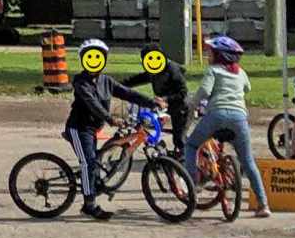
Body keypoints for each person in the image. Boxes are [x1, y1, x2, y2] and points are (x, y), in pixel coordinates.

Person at [65, 38, 163, 220]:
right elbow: (92, 104)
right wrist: (111, 119)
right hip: (78, 128)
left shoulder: (106, 81)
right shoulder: (81, 82)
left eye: (98, 57)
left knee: (93, 161)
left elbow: (127, 93)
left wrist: (150, 102)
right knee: (88, 163)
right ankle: (89, 205)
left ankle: (92, 183)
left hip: (92, 128)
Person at [183, 36, 271, 219]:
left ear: (219, 56)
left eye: (210, 53)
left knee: (191, 145)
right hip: (240, 118)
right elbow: (247, 89)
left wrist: (193, 103)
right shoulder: (241, 73)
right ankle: (263, 204)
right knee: (247, 161)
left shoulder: (213, 71)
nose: (208, 56)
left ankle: (193, 184)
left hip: (217, 115)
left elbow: (205, 91)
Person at [123, 43, 189, 157]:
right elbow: (137, 79)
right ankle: (160, 152)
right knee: (149, 125)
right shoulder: (154, 70)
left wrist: (165, 99)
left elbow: (183, 93)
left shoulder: (172, 69)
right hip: (163, 106)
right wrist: (118, 86)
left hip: (180, 106)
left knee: (179, 138)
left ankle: (186, 161)